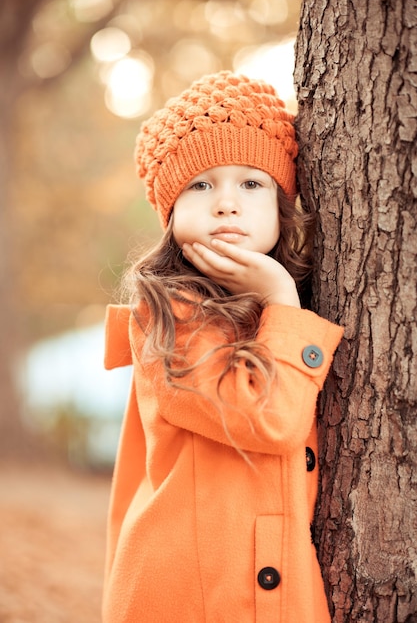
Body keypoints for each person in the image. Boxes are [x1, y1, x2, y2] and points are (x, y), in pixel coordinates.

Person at [102, 71, 343, 623]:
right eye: (201, 184)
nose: (226, 204)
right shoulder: (169, 318)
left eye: (251, 184)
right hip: (187, 596)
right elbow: (264, 420)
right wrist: (282, 298)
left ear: (283, 206)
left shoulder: (287, 315)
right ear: (170, 214)